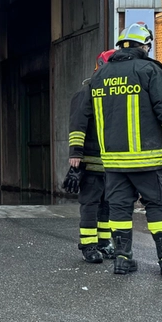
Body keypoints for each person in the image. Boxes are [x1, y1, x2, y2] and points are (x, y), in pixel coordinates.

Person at [79, 23, 162, 276]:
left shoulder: (100, 75)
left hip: (114, 162)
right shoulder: (149, 70)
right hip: (148, 160)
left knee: (119, 210)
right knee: (159, 207)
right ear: (145, 46)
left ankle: (122, 259)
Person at [68, 50, 116, 263]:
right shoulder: (86, 92)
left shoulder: (113, 93)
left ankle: (104, 242)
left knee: (106, 204)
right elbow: (77, 124)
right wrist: (76, 153)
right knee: (91, 204)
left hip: (111, 163)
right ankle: (88, 245)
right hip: (91, 160)